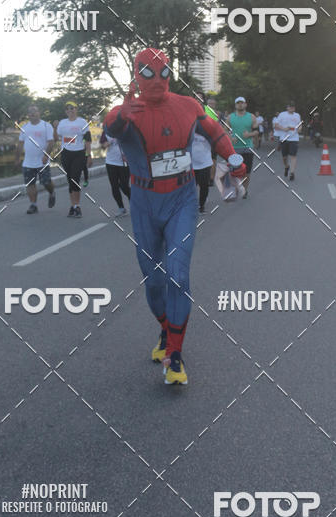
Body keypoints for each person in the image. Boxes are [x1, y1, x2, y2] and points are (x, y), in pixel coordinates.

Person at [105, 48, 245, 386]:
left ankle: (176, 355)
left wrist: (232, 156)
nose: (157, 79)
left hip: (182, 199)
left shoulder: (189, 105)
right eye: (148, 73)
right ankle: (166, 332)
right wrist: (123, 114)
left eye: (163, 71)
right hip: (143, 203)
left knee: (178, 276)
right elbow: (112, 125)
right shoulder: (127, 111)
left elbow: (214, 129)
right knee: (153, 281)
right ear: (136, 74)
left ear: (171, 71)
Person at [53, 102, 92, 218]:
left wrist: (89, 155)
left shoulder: (82, 122)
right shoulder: (62, 123)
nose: (70, 110)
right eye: (68, 109)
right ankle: (73, 206)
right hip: (65, 154)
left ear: (76, 109)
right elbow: (56, 138)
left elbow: (88, 139)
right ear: (65, 111)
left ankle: (77, 206)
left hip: (79, 154)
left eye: (72, 108)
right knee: (70, 180)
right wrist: (55, 128)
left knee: (75, 179)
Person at [14, 104, 55, 214]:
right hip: (28, 162)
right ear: (28, 115)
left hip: (42, 162)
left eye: (34, 111)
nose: (32, 113)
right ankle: (33, 205)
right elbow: (20, 143)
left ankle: (52, 193)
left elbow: (51, 142)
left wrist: (46, 155)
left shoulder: (46, 126)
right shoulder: (25, 127)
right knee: (30, 184)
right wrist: (17, 158)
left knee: (46, 182)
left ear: (39, 113)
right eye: (30, 112)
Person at [228, 97, 257, 198]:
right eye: (238, 103)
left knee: (247, 172)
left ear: (246, 104)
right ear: (235, 105)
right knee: (235, 171)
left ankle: (245, 190)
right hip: (234, 148)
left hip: (248, 147)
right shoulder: (230, 117)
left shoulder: (251, 117)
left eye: (242, 103)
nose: (240, 105)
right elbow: (223, 130)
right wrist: (230, 137)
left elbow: (257, 131)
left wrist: (249, 134)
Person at [99, 125, 130, 216]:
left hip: (124, 162)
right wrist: (107, 143)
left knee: (124, 185)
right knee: (114, 186)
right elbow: (102, 146)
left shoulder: (126, 130)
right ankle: (121, 208)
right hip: (111, 162)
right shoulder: (107, 132)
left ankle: (133, 202)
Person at [275, 101, 302, 181]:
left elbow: (299, 124)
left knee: (293, 156)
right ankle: (287, 166)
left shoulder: (297, 115)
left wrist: (300, 128)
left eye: (293, 107)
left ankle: (292, 172)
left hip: (294, 138)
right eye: (290, 107)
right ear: (287, 107)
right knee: (284, 157)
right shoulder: (282, 115)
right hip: (284, 138)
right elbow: (276, 125)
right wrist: (284, 129)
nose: (291, 108)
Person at [192, 131, 212, 213]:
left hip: (205, 163)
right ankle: (190, 206)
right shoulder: (188, 128)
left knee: (204, 186)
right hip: (191, 163)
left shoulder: (206, 128)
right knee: (191, 188)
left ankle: (201, 205)